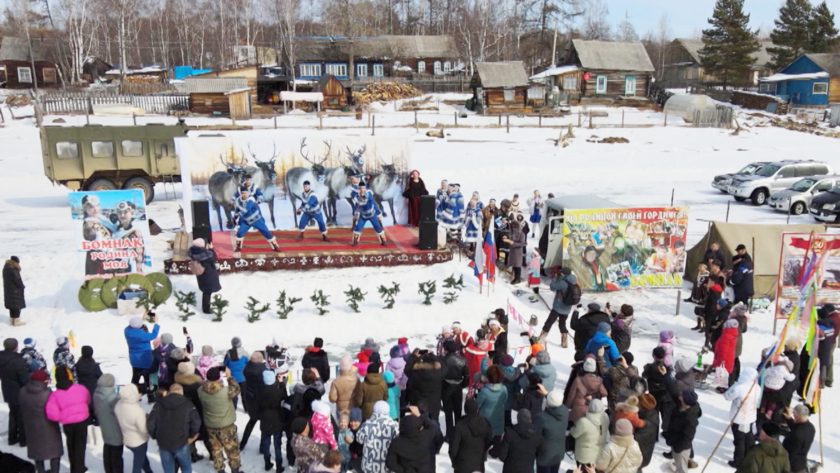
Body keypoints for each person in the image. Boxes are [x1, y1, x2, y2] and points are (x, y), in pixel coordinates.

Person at [147, 383, 201, 473]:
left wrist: (155, 436)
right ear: (182, 392)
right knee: (186, 465)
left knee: (168, 469)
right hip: (181, 441)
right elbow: (196, 422)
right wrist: (191, 435)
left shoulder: (158, 404)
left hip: (163, 442)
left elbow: (150, 424)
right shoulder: (188, 404)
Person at [46, 368, 90, 473]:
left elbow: (52, 414)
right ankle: (80, 467)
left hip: (68, 425)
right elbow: (87, 400)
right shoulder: (80, 388)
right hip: (82, 421)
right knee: (81, 445)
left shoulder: (54, 395)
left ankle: (73, 468)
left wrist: (63, 417)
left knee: (71, 444)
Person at [198, 367, 242, 473]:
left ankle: (220, 470)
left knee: (216, 450)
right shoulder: (226, 391)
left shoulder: (200, 391)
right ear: (219, 378)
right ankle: (235, 470)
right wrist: (229, 377)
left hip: (210, 426)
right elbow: (237, 389)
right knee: (232, 449)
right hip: (226, 426)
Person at [19, 370, 62, 473]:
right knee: (55, 453)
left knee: (37, 452)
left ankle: (41, 471)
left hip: (31, 428)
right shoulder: (47, 394)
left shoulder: (22, 391)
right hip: (49, 428)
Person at [386, 407, 442, 473]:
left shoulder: (397, 443)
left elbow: (390, 463)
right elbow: (432, 427)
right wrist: (419, 415)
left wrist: (403, 470)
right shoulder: (426, 436)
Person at [114, 383, 153, 473]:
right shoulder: (137, 411)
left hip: (126, 439)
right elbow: (144, 430)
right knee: (137, 465)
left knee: (142, 458)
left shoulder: (119, 404)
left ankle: (149, 471)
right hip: (139, 442)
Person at [232, 184, 280, 252]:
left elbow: (246, 209)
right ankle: (238, 247)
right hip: (246, 221)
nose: (244, 195)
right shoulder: (238, 201)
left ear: (248, 193)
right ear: (240, 194)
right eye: (243, 193)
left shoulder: (251, 199)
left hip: (257, 220)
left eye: (246, 193)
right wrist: (234, 217)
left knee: (266, 233)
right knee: (239, 233)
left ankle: (275, 246)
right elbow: (237, 209)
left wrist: (238, 214)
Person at [449, 398, 492, 473]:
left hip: (462, 466)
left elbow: (453, 449)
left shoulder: (460, 426)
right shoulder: (485, 424)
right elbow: (489, 441)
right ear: (477, 410)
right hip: (479, 465)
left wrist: (455, 463)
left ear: (465, 411)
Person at [0, 338, 29, 447]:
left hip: (7, 389)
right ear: (15, 347)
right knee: (22, 416)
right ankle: (23, 440)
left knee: (13, 414)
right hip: (19, 391)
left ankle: (12, 438)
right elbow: (24, 379)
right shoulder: (18, 360)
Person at [357, 400, 399, 473]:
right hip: (387, 466)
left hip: (369, 466)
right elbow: (398, 443)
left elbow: (359, 440)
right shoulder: (394, 425)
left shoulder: (367, 424)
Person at [540, 267, 578, 348]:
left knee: (549, 322)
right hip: (567, 308)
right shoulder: (573, 280)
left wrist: (555, 278)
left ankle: (541, 338)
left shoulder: (563, 282)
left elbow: (552, 287)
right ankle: (564, 341)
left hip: (558, 307)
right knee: (562, 324)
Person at [664, 391, 700, 473]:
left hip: (681, 449)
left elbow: (688, 437)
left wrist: (678, 448)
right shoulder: (682, 407)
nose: (679, 395)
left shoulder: (689, 418)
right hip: (675, 442)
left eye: (682, 396)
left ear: (685, 401)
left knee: (681, 470)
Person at [496, 409, 544, 473]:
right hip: (528, 470)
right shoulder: (537, 434)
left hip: (510, 469)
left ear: (518, 419)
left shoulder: (510, 433)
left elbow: (502, 456)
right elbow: (541, 453)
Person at [93, 374, 123, 473]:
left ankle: (108, 469)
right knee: (116, 456)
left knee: (108, 449)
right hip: (115, 428)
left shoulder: (96, 394)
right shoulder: (113, 398)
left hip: (104, 427)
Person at [125, 314, 160, 399]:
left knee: (135, 378)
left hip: (134, 359)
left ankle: (132, 395)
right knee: (147, 378)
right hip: (145, 359)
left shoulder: (127, 331)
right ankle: (150, 396)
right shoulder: (142, 335)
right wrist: (156, 323)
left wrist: (142, 318)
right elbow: (153, 335)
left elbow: (134, 325)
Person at [533, 390, 569, 473]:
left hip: (544, 454)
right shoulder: (565, 412)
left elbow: (534, 435)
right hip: (558, 452)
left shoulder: (541, 418)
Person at [257, 370, 286, 472]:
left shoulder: (259, 392)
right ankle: (279, 466)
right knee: (277, 444)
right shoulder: (278, 392)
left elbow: (257, 406)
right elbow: (285, 397)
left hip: (265, 420)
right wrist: (282, 383)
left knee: (266, 443)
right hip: (277, 419)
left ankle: (267, 463)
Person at [239, 351, 268, 450]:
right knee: (264, 424)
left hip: (251, 399)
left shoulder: (246, 369)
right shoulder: (264, 370)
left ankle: (242, 444)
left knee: (252, 421)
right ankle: (262, 447)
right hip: (262, 400)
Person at [405, 351, 444, 421]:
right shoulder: (438, 373)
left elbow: (407, 369)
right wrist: (433, 356)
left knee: (419, 424)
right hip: (434, 404)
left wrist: (414, 356)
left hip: (419, 404)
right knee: (434, 424)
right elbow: (445, 366)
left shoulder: (415, 372)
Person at [441, 340, 469, 437]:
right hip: (457, 386)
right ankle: (457, 432)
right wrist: (463, 385)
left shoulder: (442, 360)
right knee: (458, 410)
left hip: (445, 387)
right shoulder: (462, 360)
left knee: (448, 412)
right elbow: (466, 375)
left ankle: (449, 433)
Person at [570, 398, 609, 468]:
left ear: (589, 408)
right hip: (599, 453)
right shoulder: (606, 417)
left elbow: (574, 434)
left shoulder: (584, 422)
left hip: (584, 455)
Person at [477, 365, 509, 448]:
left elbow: (478, 404)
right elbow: (505, 399)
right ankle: (496, 451)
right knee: (497, 437)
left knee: (484, 440)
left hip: (485, 418)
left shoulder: (485, 391)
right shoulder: (504, 389)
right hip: (499, 415)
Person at [187, 239, 221, 314]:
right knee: (207, 292)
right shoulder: (206, 254)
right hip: (208, 275)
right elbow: (213, 257)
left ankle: (206, 307)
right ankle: (206, 309)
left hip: (201, 275)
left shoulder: (193, 252)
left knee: (206, 290)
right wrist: (211, 249)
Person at [353, 181, 388, 246]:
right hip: (363, 215)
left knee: (377, 227)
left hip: (372, 215)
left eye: (363, 188)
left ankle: (383, 240)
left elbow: (370, 200)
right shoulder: (357, 196)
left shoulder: (368, 193)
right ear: (359, 189)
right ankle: (355, 241)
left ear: (365, 188)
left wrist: (378, 213)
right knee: (358, 227)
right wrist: (354, 213)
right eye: (360, 188)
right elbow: (356, 205)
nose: (362, 190)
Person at [782, 404, 815, 473]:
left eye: (794, 414)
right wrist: (789, 419)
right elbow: (797, 427)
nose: (793, 415)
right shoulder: (811, 428)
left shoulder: (795, 435)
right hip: (801, 464)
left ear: (798, 416)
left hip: (791, 466)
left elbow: (788, 452)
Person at [635, 393, 659, 472]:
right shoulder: (652, 413)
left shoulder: (646, 424)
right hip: (643, 454)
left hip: (640, 455)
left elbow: (635, 439)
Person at [222, 337, 248, 410]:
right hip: (243, 377)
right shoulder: (244, 353)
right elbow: (248, 362)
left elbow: (225, 363)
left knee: (233, 394)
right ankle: (246, 408)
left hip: (232, 378)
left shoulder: (228, 354)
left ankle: (233, 408)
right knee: (244, 394)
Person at [3, 256, 25, 326]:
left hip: (8, 289)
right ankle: (16, 321)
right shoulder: (13, 269)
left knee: (12, 305)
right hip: (15, 290)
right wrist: (22, 286)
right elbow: (17, 280)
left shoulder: (6, 268)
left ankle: (12, 319)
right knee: (16, 305)